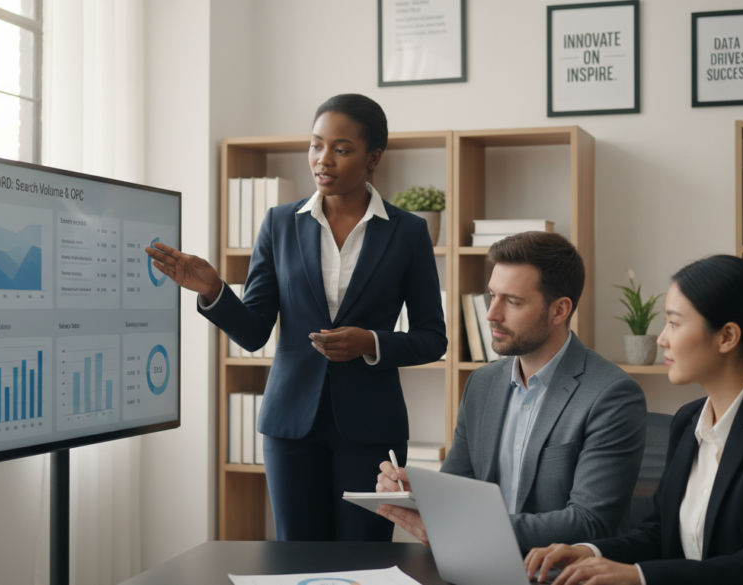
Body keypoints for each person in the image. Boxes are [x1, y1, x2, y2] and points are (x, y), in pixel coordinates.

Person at [146, 94, 447, 542]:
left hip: (369, 426)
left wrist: (371, 342)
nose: (323, 160)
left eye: (341, 149)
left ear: (373, 158)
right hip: (290, 427)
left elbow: (432, 337)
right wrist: (213, 290)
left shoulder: (407, 231)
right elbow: (253, 332)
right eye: (315, 145)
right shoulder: (279, 224)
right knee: (296, 556)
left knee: (362, 557)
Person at [524, 254, 743, 585]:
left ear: (727, 337)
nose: (662, 338)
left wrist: (638, 576)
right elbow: (660, 532)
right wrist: (589, 551)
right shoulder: (689, 420)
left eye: (674, 323)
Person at [375, 231, 647, 552]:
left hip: (560, 573)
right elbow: (459, 486)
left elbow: (590, 521)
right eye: (492, 296)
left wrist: (463, 530)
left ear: (559, 310)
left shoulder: (611, 395)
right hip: (476, 564)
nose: (491, 314)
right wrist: (415, 491)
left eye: (512, 301)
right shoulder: (482, 383)